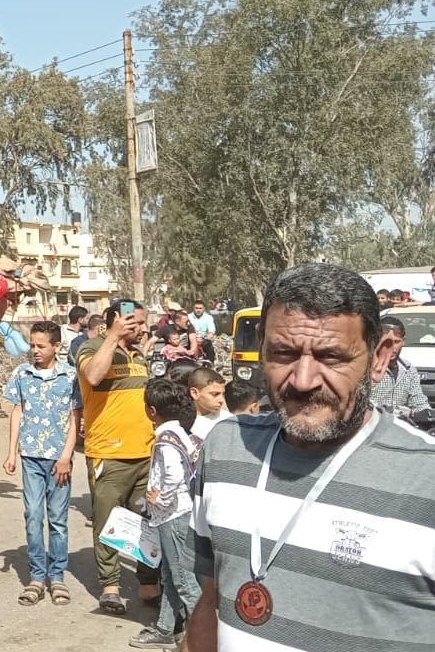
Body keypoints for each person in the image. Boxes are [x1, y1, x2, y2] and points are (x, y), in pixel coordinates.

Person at [186, 263, 435, 652]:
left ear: (379, 358)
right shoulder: (225, 449)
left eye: (331, 357)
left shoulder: (426, 477)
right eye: (283, 354)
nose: (303, 381)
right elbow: (211, 601)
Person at [75, 299, 160, 613]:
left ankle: (149, 584)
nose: (140, 328)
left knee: (147, 523)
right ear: (113, 320)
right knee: (108, 520)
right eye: (133, 321)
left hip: (146, 454)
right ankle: (110, 585)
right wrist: (111, 337)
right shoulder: (90, 347)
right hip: (108, 455)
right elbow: (94, 377)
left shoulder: (139, 355)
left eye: (141, 322)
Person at [1, 320, 80, 606]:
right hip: (31, 457)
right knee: (33, 515)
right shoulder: (22, 374)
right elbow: (17, 412)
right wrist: (12, 453)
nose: (34, 350)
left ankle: (57, 577)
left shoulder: (70, 377)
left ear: (56, 347)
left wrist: (66, 457)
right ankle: (36, 576)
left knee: (58, 520)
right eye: (32, 345)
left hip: (59, 460)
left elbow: (74, 419)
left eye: (41, 346)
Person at [132, 378, 201, 650]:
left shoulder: (164, 439)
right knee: (171, 578)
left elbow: (172, 474)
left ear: (151, 410)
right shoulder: (182, 433)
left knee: (184, 581)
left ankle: (201, 638)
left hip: (172, 516)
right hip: (182, 512)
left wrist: (160, 498)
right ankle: (164, 628)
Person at [369, 315, 431, 419]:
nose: (392, 347)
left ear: (403, 341)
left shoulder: (408, 369)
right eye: (386, 342)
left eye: (396, 342)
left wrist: (427, 414)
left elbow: (419, 402)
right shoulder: (366, 369)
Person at [186, 367, 228, 441]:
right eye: (215, 394)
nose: (221, 400)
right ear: (194, 393)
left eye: (223, 394)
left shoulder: (229, 421)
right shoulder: (182, 422)